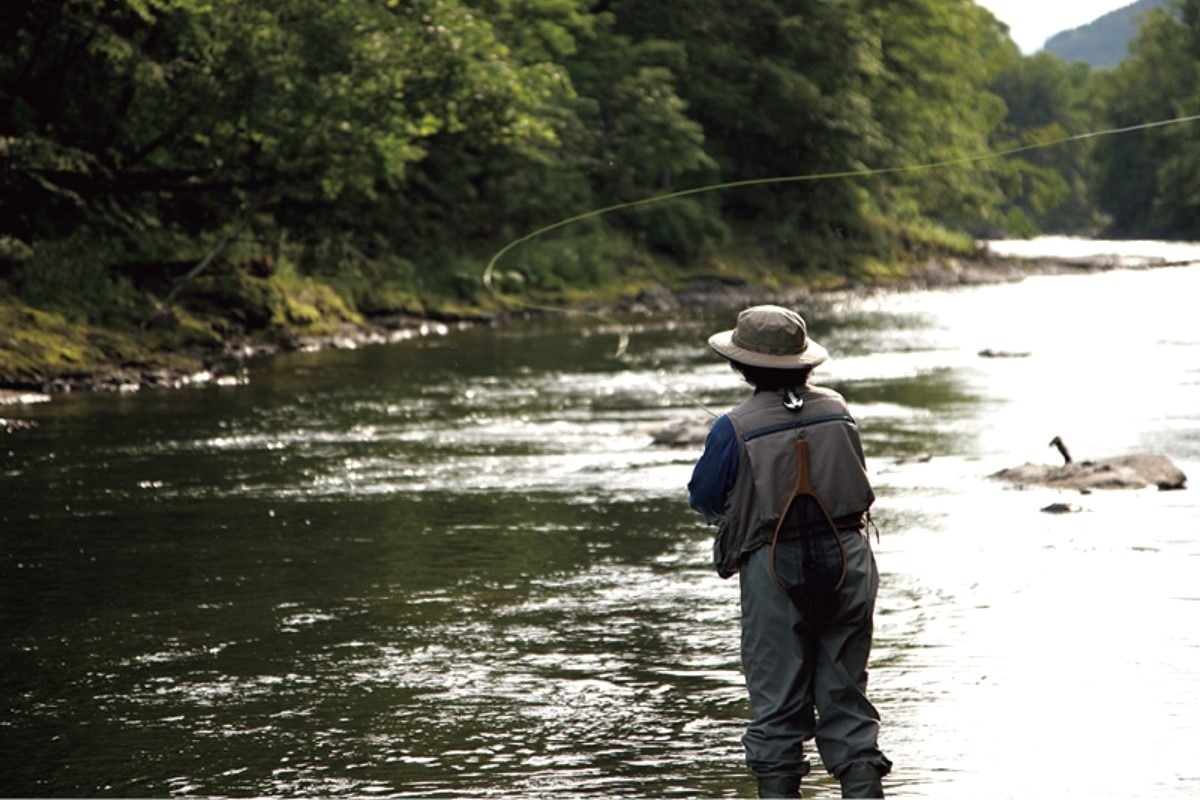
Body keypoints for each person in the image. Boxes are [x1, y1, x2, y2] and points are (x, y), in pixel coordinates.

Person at [688, 305, 891, 798]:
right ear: (806, 363)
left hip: (773, 565)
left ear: (741, 366)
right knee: (846, 695)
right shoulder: (839, 410)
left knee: (777, 702)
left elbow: (704, 498)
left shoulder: (731, 427)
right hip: (849, 558)